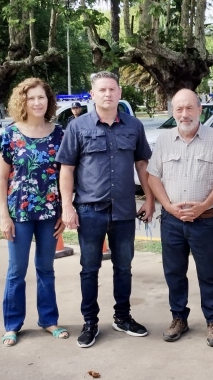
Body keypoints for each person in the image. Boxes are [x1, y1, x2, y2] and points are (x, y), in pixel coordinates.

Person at [57, 71, 155, 349]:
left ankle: (122, 317)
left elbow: (142, 166)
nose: (107, 94)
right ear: (92, 94)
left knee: (124, 267)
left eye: (112, 89)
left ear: (120, 93)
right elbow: (67, 169)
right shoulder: (77, 127)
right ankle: (90, 322)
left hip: (124, 211)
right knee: (89, 268)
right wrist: (67, 206)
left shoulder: (134, 126)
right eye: (102, 90)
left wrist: (149, 199)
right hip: (89, 210)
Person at [147, 89, 213, 347]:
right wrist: (168, 206)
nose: (184, 114)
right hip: (171, 221)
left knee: (209, 272)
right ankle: (178, 318)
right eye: (179, 109)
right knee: (174, 272)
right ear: (172, 112)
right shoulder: (164, 140)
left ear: (200, 109)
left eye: (189, 108)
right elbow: (153, 176)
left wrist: (204, 205)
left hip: (204, 219)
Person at [0, 78, 68, 347]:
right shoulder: (10, 135)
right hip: (19, 214)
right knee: (16, 270)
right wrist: (4, 215)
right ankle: (12, 325)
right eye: (31, 98)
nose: (37, 102)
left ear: (49, 101)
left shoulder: (60, 134)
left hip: (50, 213)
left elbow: (67, 175)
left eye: (42, 97)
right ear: (22, 102)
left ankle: (49, 320)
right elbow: (2, 180)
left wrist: (64, 209)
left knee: (45, 268)